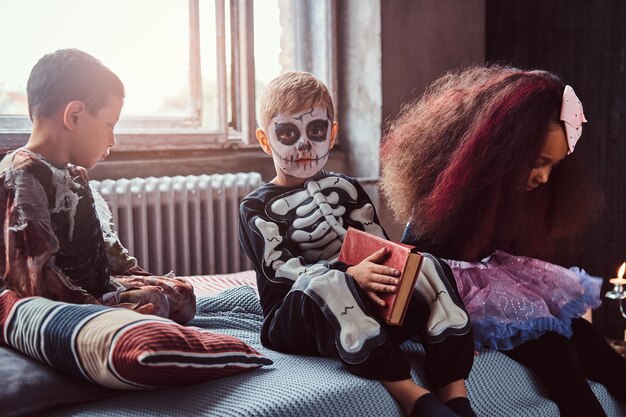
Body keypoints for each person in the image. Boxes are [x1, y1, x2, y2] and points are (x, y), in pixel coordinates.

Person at [380, 65, 626, 417]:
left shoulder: (512, 196)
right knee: (557, 350)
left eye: (553, 167)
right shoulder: (445, 202)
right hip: (448, 298)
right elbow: (417, 267)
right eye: (538, 162)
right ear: (503, 149)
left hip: (490, 290)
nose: (543, 177)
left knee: (582, 335)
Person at [239, 71, 477, 417]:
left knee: (427, 263)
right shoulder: (255, 206)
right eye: (288, 133)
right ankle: (412, 397)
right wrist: (347, 273)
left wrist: (397, 273)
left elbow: (380, 246)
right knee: (329, 281)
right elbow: (280, 272)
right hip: (297, 318)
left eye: (316, 131)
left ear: (332, 134)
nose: (304, 145)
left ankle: (454, 393)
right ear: (265, 140)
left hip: (366, 308)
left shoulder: (347, 187)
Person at [0, 49, 195, 324]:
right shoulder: (23, 173)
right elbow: (33, 277)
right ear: (75, 116)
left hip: (93, 287)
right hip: (57, 301)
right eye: (109, 125)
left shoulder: (75, 175)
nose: (112, 140)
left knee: (178, 295)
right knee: (156, 305)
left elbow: (107, 253)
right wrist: (101, 310)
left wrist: (142, 279)